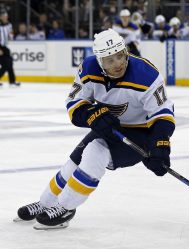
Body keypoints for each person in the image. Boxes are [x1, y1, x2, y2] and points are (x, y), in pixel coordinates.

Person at [14, 29, 175, 229]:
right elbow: (74, 103)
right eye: (110, 60)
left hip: (140, 133)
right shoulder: (88, 68)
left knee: (94, 153)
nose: (117, 63)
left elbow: (163, 113)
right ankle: (46, 203)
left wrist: (160, 145)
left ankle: (66, 207)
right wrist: (91, 115)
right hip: (108, 127)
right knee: (72, 163)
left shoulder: (146, 74)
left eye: (120, 55)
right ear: (100, 62)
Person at [0, 10, 20, 87]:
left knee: (10, 64)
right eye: (4, 16)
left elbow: (10, 35)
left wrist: (11, 35)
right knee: (6, 65)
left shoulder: (9, 25)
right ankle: (12, 81)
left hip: (5, 47)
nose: (6, 17)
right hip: (0, 47)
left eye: (6, 16)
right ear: (0, 17)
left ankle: (12, 81)